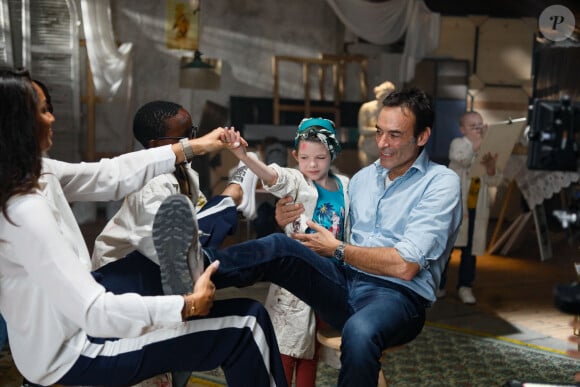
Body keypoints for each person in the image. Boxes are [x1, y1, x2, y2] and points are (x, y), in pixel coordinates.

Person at [0, 67, 287, 387]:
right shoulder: (24, 212)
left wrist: (195, 147)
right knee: (247, 324)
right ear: (16, 124)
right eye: (42, 111)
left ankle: (223, 212)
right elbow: (94, 310)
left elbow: (112, 174)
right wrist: (185, 306)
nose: (52, 118)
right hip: (76, 352)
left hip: (66, 326)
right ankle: (228, 205)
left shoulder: (36, 174)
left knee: (185, 253)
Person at [161, 87, 463, 386]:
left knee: (359, 330)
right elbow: (331, 226)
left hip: (397, 298)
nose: (382, 143)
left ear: (422, 136)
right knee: (281, 247)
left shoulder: (441, 184)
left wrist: (338, 250)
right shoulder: (363, 179)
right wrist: (287, 219)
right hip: (345, 283)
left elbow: (405, 265)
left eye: (394, 135)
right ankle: (195, 267)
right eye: (379, 131)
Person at [91, 100, 259, 387]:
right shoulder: (152, 183)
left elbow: (197, 222)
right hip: (126, 283)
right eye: (185, 137)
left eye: (193, 131)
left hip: (160, 276)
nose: (194, 141)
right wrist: (232, 195)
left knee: (178, 350)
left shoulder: (185, 172)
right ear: (156, 144)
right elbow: (186, 241)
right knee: (151, 369)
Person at [221, 117, 349, 387]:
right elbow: (273, 176)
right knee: (284, 348)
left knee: (310, 353)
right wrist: (243, 156)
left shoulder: (347, 186)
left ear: (333, 154)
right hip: (295, 282)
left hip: (329, 278)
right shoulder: (297, 181)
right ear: (295, 155)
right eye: (304, 157)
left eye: (321, 157)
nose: (312, 164)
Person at [437, 111, 502, 304]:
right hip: (457, 204)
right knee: (447, 248)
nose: (478, 129)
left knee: (470, 250)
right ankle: (438, 285)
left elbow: (494, 180)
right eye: (473, 126)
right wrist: (480, 143)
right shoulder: (458, 143)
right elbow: (462, 159)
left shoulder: (486, 148)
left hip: (477, 205)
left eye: (480, 125)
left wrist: (491, 168)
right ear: (462, 129)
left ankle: (465, 286)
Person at [357, 80, 396, 167]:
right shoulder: (366, 108)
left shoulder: (392, 111)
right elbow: (362, 130)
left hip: (386, 149)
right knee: (366, 174)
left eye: (389, 95)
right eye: (384, 95)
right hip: (368, 147)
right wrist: (382, 130)